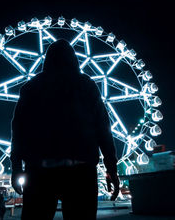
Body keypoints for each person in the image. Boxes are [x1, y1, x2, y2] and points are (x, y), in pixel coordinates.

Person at [10, 39, 120, 220]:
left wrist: (16, 168)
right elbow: (103, 129)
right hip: (81, 172)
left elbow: (18, 131)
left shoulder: (31, 87)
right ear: (74, 59)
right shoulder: (87, 85)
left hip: (40, 172)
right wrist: (111, 168)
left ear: (47, 59)